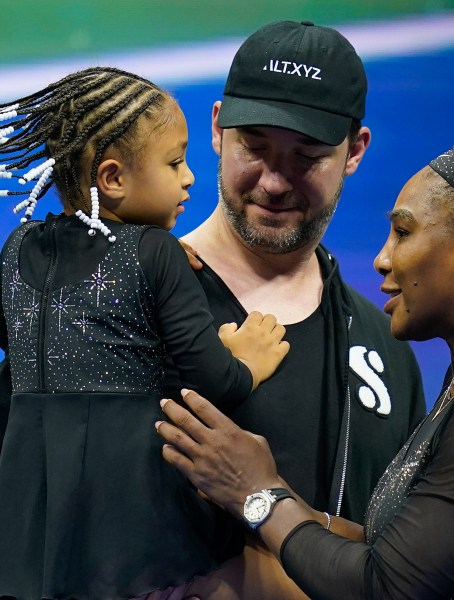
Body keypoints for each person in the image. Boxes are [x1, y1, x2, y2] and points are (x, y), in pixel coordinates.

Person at [157, 131, 454, 599]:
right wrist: (258, 495)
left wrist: (257, 493)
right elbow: (393, 552)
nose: (382, 259)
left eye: (404, 232)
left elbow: (385, 587)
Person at [0, 67, 290, 599]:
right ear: (112, 179)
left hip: (28, 523)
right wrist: (246, 360)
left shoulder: (17, 247)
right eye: (175, 162)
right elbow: (214, 382)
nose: (190, 178)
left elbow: (15, 369)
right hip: (129, 522)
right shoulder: (154, 252)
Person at [164, 20, 425, 597]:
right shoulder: (119, 306)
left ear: (354, 152)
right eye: (254, 148)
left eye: (307, 156)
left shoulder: (387, 347)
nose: (275, 182)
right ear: (216, 129)